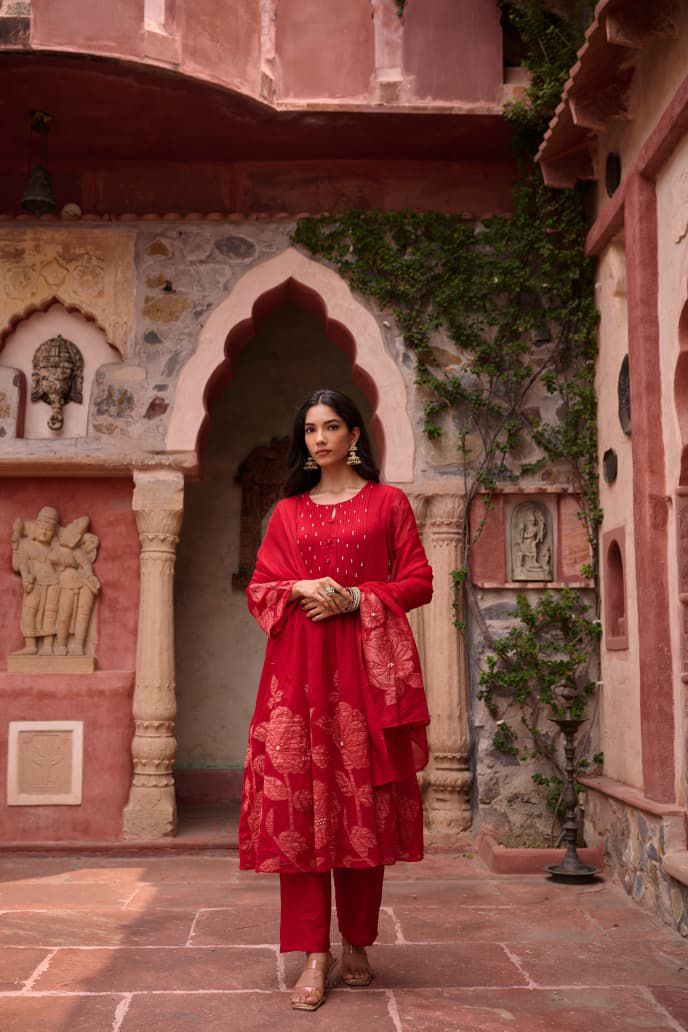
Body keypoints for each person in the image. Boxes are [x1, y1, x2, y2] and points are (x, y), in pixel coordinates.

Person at [238, 388, 433, 1011]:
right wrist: (300, 586)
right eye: (310, 429)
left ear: (354, 435)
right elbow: (261, 587)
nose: (319, 439)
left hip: (365, 673)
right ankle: (312, 955)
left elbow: (419, 581)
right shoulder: (288, 512)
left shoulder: (388, 503)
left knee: (360, 809)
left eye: (330, 427)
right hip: (297, 677)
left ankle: (357, 942)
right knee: (301, 816)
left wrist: (356, 598)